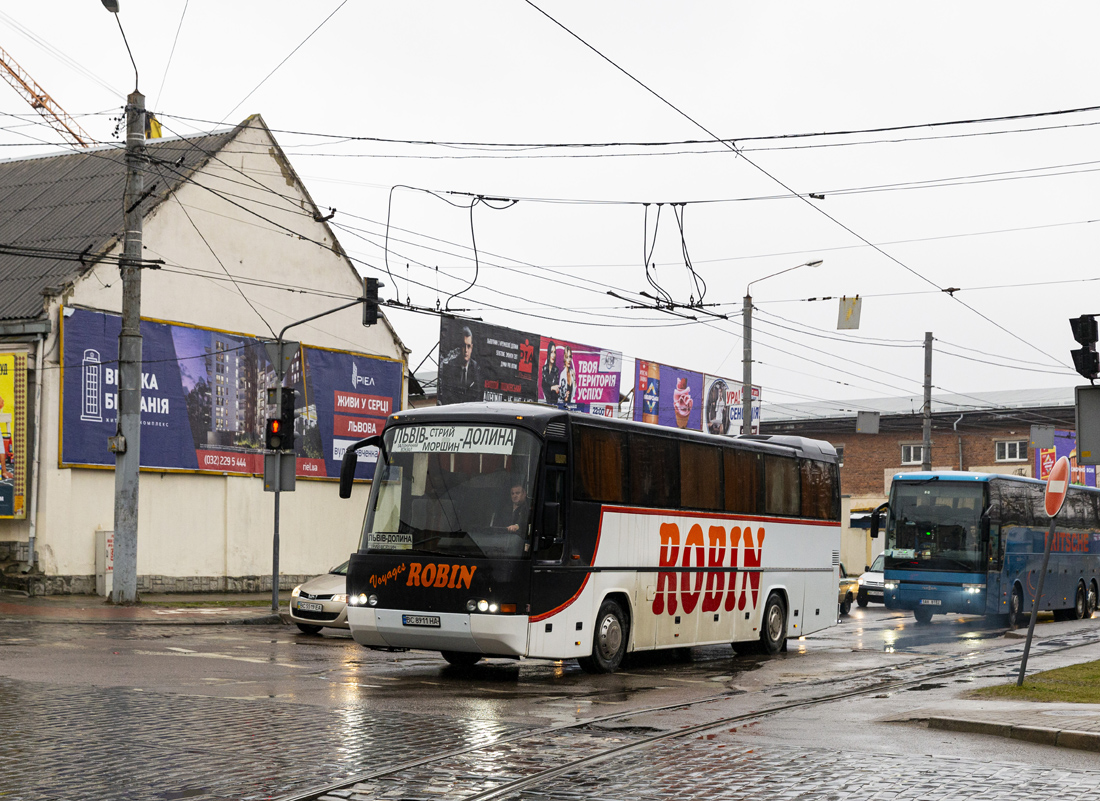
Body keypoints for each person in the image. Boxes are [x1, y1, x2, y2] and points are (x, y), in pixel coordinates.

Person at [445, 325, 481, 403]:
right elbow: (448, 395)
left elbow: (478, 395)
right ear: (459, 347)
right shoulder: (451, 366)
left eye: (468, 346)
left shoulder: (476, 368)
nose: (466, 351)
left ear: (472, 348)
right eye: (463, 346)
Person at [542, 340, 560, 405]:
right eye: (551, 352)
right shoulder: (544, 369)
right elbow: (543, 387)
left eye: (554, 352)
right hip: (543, 403)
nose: (553, 355)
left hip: (553, 404)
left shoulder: (556, 370)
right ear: (548, 353)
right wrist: (551, 388)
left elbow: (556, 390)